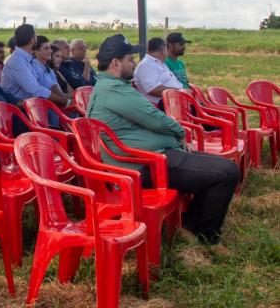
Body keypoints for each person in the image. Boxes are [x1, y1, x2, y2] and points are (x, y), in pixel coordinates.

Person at [88, 34, 238, 246]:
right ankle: (206, 236)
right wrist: (179, 132)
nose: (134, 64)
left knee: (218, 168)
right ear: (115, 63)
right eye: (131, 59)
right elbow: (156, 119)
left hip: (147, 157)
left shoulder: (111, 88)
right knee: (226, 172)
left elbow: (150, 120)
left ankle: (190, 225)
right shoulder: (114, 92)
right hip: (143, 165)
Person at [2, 24, 69, 108]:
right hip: (16, 110)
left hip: (29, 106)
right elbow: (35, 90)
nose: (50, 51)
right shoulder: (17, 62)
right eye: (36, 36)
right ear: (32, 40)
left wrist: (64, 99)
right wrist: (63, 101)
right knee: (52, 114)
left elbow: (46, 81)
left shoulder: (28, 58)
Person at [134, 37, 183, 108]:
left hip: (174, 102)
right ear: (162, 50)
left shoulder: (159, 63)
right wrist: (180, 92)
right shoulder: (146, 65)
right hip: (165, 106)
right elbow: (154, 89)